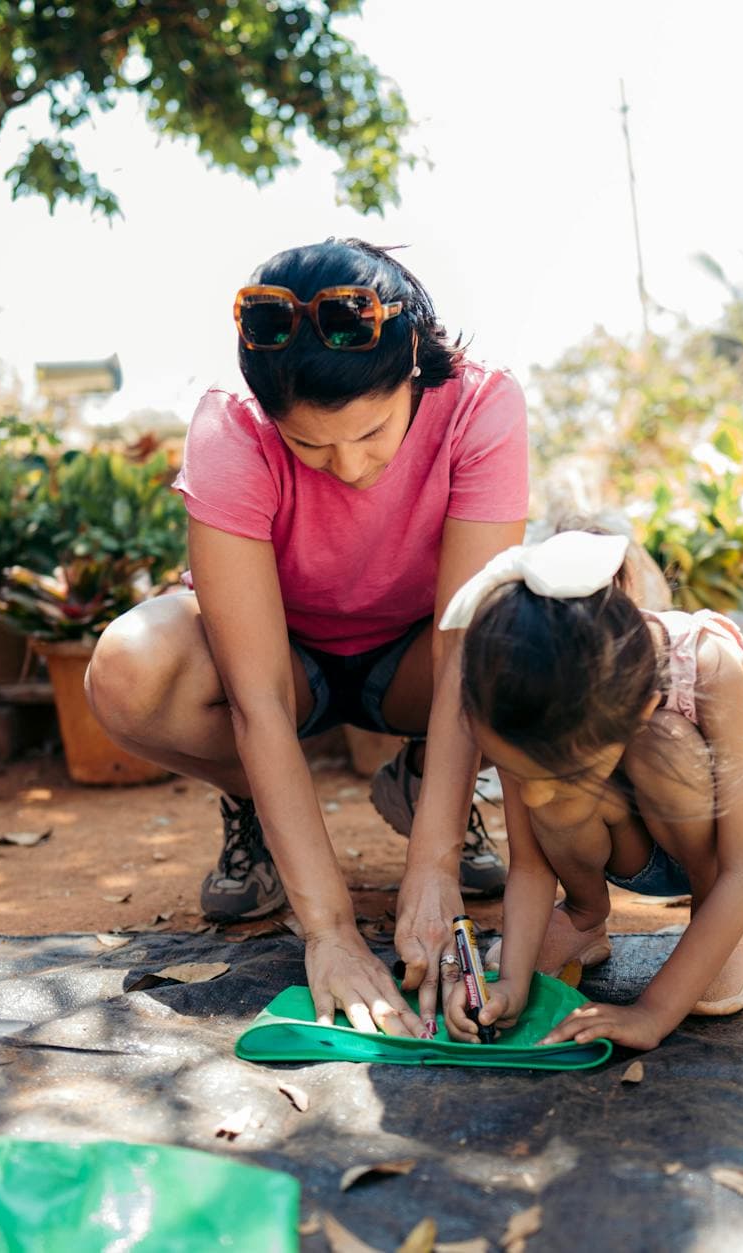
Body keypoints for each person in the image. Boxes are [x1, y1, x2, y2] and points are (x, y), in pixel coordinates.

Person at [85, 238, 527, 1038]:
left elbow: (467, 645)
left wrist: (429, 870)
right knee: (128, 667)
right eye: (310, 445)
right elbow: (255, 698)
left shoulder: (482, 405)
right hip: (289, 664)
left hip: (419, 661)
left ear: (417, 370)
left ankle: (434, 787)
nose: (350, 467)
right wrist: (330, 932)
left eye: (373, 433)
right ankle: (258, 801)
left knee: (534, 643)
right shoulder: (231, 426)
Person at [437, 531, 743, 1051]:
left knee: (666, 741)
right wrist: (510, 986)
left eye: (556, 775)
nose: (536, 799)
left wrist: (652, 1013)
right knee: (559, 791)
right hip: (633, 838)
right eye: (518, 776)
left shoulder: (706, 660)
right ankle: (585, 917)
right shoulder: (521, 690)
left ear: (632, 711)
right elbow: (530, 865)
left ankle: (718, 932)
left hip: (731, 843)